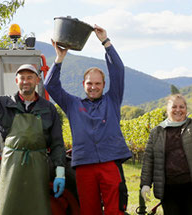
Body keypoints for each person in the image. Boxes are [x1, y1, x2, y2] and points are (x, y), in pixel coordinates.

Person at [0, 57, 68, 215]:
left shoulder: (49, 109)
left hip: (38, 170)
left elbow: (57, 143)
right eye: (22, 78)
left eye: (30, 77)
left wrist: (60, 173)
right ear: (16, 81)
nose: (26, 81)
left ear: (37, 80)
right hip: (11, 169)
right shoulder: (3, 104)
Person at [45, 25, 131, 215]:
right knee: (89, 211)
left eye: (97, 83)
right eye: (90, 83)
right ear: (83, 84)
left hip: (110, 162)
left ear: (104, 85)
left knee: (115, 210)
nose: (93, 87)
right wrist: (59, 58)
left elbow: (118, 70)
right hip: (84, 165)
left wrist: (105, 42)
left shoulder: (112, 99)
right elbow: (50, 85)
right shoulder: (72, 104)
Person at [140, 93, 192, 215]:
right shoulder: (157, 132)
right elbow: (149, 160)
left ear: (186, 109)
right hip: (169, 190)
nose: (178, 110)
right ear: (167, 110)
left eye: (181, 107)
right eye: (174, 107)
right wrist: (145, 184)